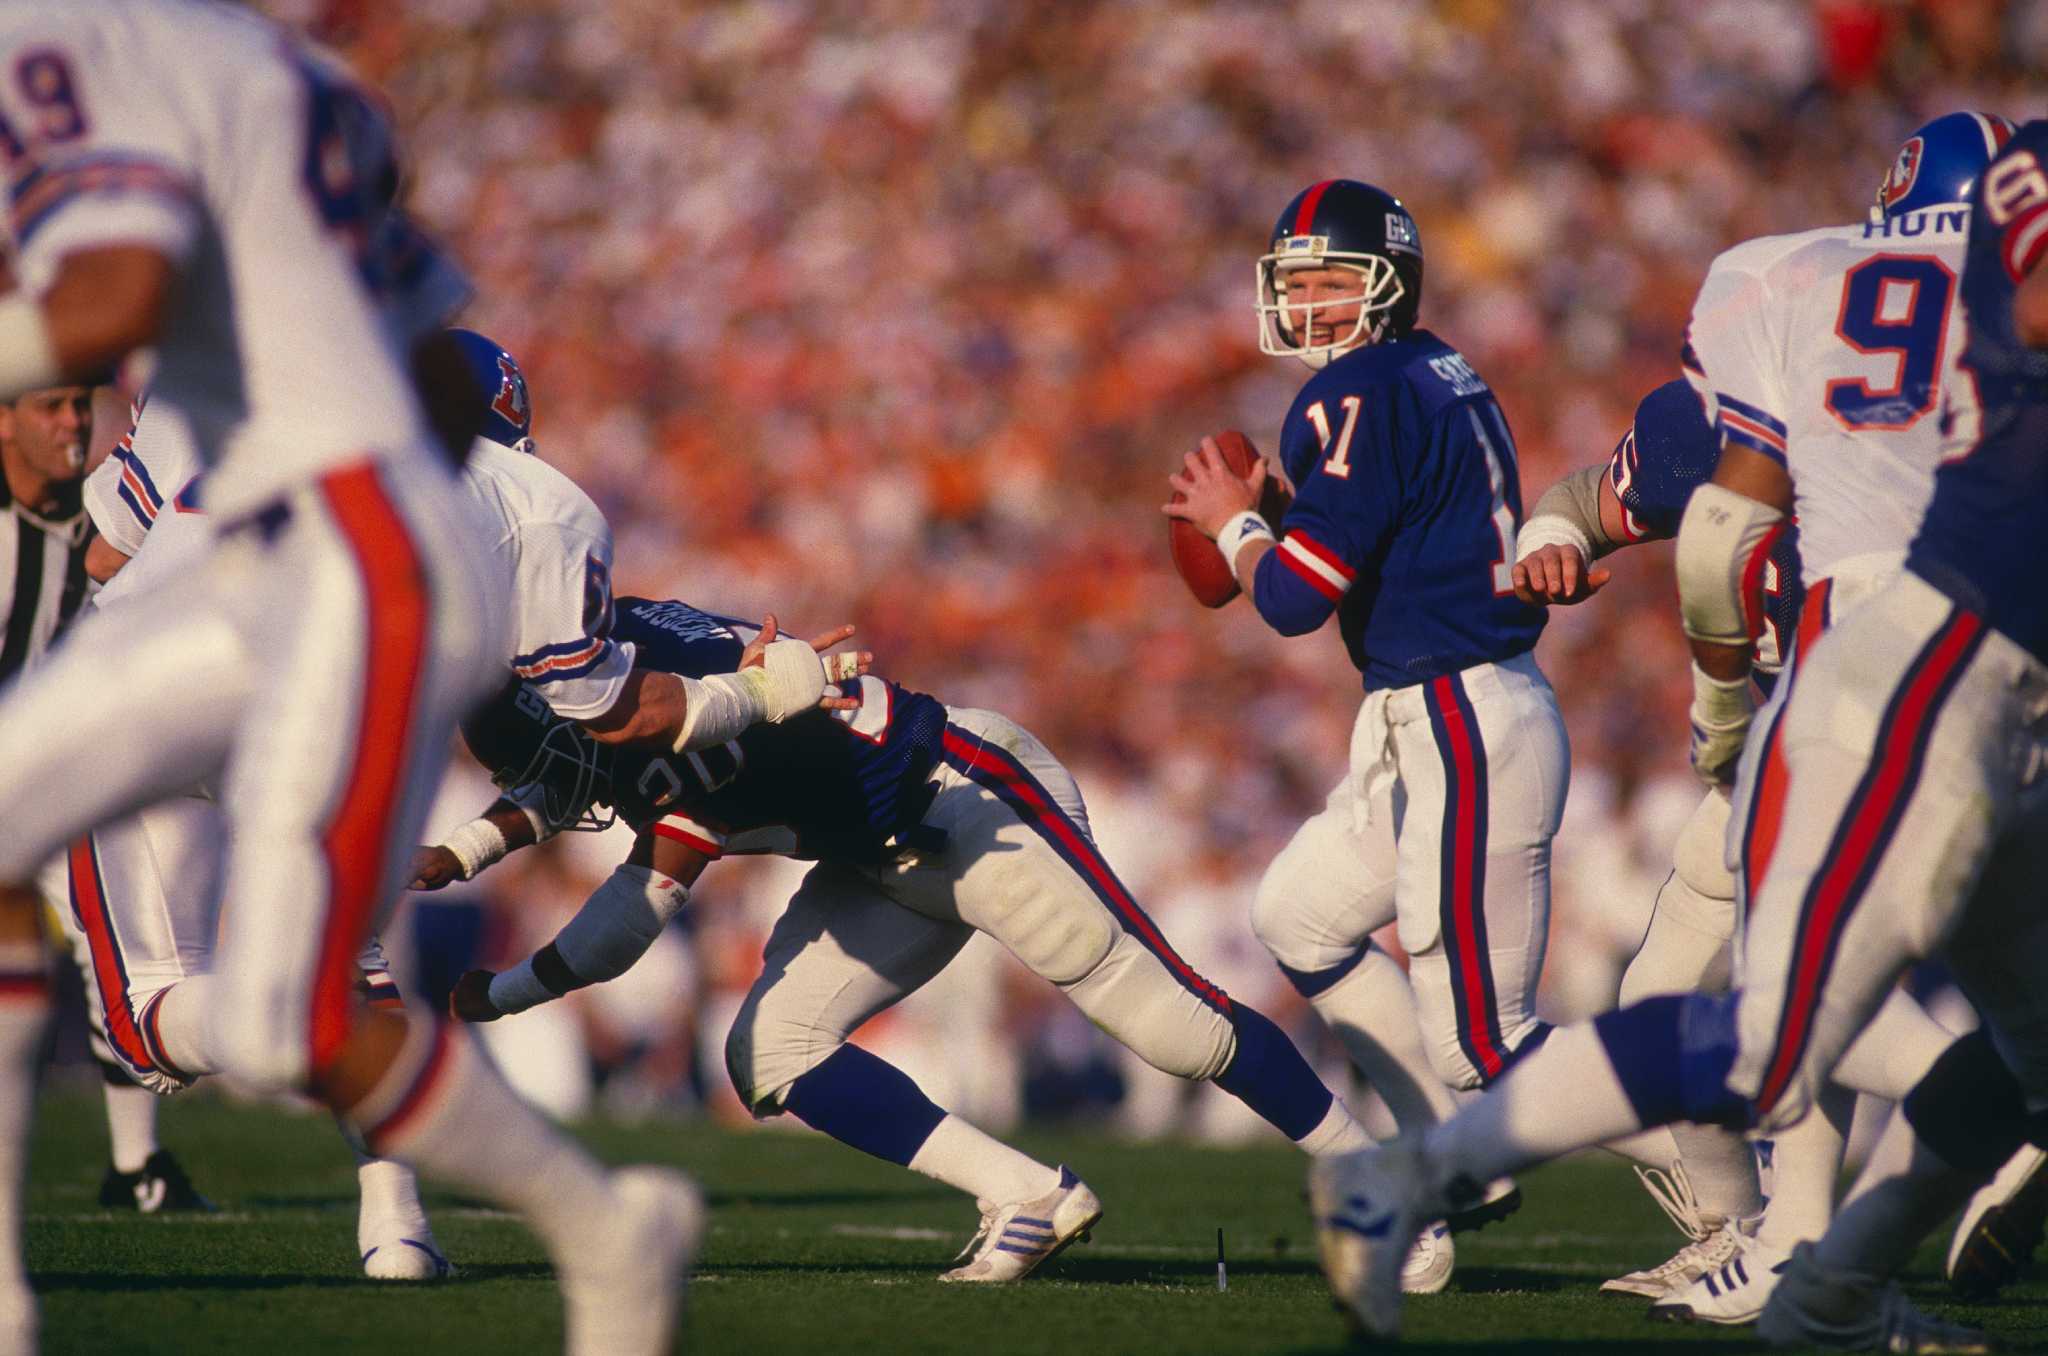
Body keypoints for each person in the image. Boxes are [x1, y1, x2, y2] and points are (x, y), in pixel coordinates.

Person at [0, 8, 735, 1352]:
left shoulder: (72, 46)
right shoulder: (277, 77)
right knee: (283, 1015)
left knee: (236, 1008)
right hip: (312, 576)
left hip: (330, 579)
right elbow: (436, 385)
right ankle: (598, 1224)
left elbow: (107, 304)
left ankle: (592, 1226)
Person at [1308, 111, 2029, 1352]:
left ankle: (1825, 1284)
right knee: (1776, 1025)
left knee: (1948, 1048)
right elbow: (1688, 526)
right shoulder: (1985, 320)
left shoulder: (1797, 286)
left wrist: (1721, 709)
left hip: (1875, 684)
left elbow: (1705, 525)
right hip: (1924, 675)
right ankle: (1410, 1183)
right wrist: (1717, 710)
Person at [425, 592, 1375, 1283]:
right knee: (771, 1052)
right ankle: (1029, 1194)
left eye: (552, 752)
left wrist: (505, 989)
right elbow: (617, 880)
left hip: (965, 800)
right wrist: (472, 873)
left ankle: (1381, 1179)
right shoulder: (640, 743)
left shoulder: (651, 664)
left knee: (1175, 1031)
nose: (553, 782)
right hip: (881, 861)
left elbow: (775, 681)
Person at [1163, 178, 1566, 1291]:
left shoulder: (1355, 391)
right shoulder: (1426, 368)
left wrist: (1237, 524)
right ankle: (1451, 1164)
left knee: (1488, 1042)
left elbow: (1291, 600)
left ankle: (1739, 1205)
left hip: (1459, 710)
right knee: (1297, 916)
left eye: (1330, 281)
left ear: (1386, 284)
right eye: (1295, 281)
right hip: (1420, 713)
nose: (1306, 302)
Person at [1513, 382, 1961, 1321]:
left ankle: (1992, 1105)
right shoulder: (1705, 418)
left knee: (1788, 1001)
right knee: (1661, 1002)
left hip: (1851, 755)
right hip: (1749, 766)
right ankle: (1741, 1228)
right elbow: (1586, 503)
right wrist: (1546, 543)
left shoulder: (1919, 429)